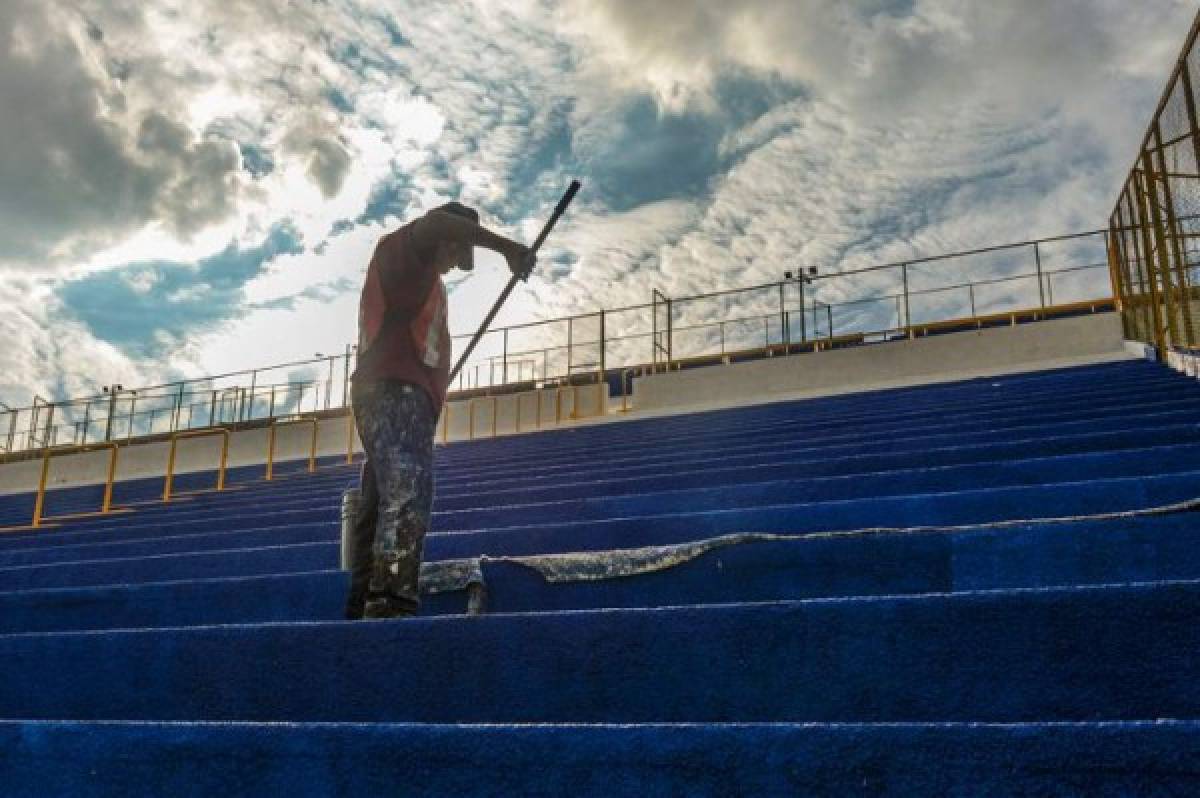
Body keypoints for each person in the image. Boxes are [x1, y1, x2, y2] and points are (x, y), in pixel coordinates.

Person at [345, 201, 533, 619]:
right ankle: (390, 601)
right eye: (456, 251)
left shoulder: (426, 281)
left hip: (401, 398)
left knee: (380, 500)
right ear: (449, 240)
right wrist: (506, 248)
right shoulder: (403, 258)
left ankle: (361, 603)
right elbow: (434, 224)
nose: (453, 264)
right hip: (393, 395)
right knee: (409, 487)